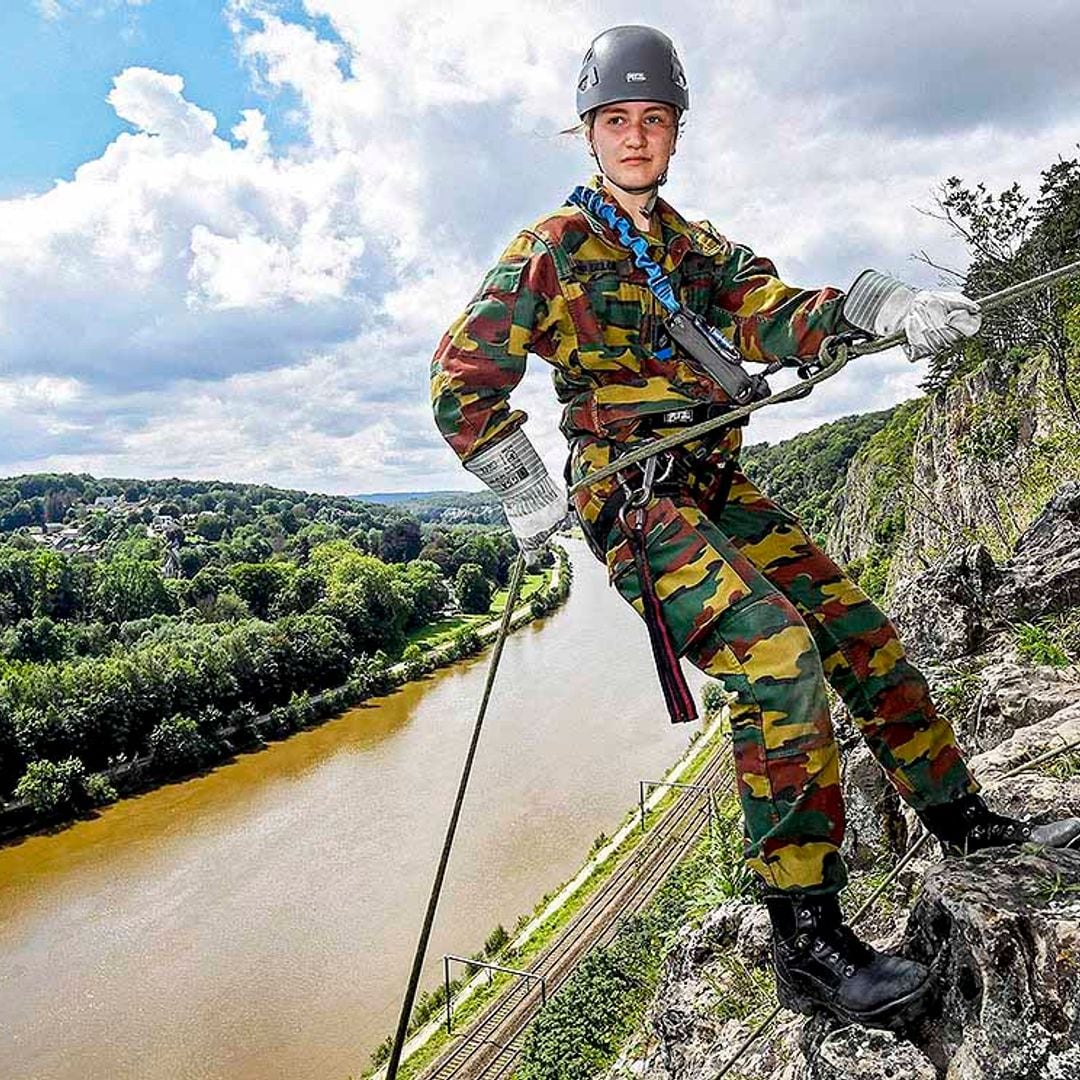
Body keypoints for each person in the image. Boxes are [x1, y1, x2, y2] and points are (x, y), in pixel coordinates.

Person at [429, 25, 1080, 1029]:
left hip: (713, 483)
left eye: (652, 120)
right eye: (616, 121)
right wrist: (522, 483)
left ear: (674, 131)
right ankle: (806, 942)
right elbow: (462, 381)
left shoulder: (691, 247)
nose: (635, 137)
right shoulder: (550, 253)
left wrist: (884, 307)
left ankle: (968, 825)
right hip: (635, 499)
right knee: (775, 657)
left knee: (856, 632)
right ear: (588, 133)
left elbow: (772, 311)